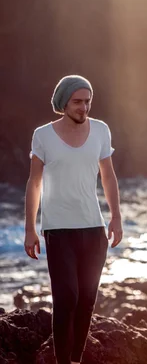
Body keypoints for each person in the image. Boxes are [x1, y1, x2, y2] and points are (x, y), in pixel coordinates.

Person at [23, 75, 123, 364]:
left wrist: (115, 217)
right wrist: (30, 228)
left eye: (88, 101)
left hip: (94, 229)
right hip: (58, 230)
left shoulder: (101, 131)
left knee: (87, 301)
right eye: (78, 101)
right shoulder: (42, 136)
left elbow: (108, 176)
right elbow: (34, 183)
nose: (84, 107)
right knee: (67, 298)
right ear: (63, 102)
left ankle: (76, 360)